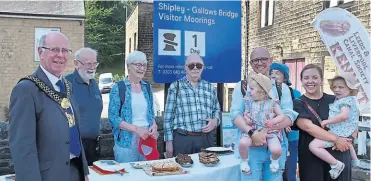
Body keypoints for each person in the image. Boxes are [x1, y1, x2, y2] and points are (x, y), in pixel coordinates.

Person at [8, 32, 89, 181]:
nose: (60, 55)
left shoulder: (67, 86)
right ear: (40, 52)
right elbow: (22, 148)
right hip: (47, 176)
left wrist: (83, 170)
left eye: (65, 50)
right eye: (54, 49)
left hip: (74, 171)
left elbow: (73, 129)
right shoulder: (26, 90)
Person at [230, 47, 298, 181]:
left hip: (276, 147)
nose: (259, 62)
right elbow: (235, 115)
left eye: (263, 59)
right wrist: (252, 133)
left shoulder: (281, 87)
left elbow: (289, 117)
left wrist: (264, 131)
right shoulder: (242, 86)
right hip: (250, 148)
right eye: (255, 60)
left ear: (270, 61)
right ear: (250, 63)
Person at [293, 64, 353, 181]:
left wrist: (349, 139)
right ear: (301, 81)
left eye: (315, 77)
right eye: (306, 78)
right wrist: (337, 139)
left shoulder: (335, 99)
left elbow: (351, 118)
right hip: (311, 157)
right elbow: (308, 127)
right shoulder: (298, 103)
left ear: (321, 79)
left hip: (338, 151)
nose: (310, 81)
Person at [164, 54, 221, 158]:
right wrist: (168, 143)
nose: (195, 68)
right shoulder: (175, 87)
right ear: (185, 68)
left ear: (202, 68)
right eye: (191, 65)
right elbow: (168, 117)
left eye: (198, 65)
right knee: (183, 172)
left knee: (207, 172)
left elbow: (217, 109)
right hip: (183, 140)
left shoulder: (209, 87)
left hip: (206, 140)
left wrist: (215, 121)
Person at [108, 50, 158, 163]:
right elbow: (113, 118)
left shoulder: (147, 87)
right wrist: (137, 130)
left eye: (144, 65)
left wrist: (154, 125)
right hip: (127, 142)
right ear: (129, 66)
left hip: (147, 139)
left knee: (147, 174)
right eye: (138, 65)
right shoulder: (118, 88)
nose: (142, 68)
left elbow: (151, 113)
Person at [308, 72, 360, 179]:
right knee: (348, 142)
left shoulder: (344, 102)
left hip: (338, 132)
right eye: (335, 87)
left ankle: (336, 164)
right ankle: (355, 160)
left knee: (313, 146)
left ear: (350, 89)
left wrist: (327, 122)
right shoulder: (350, 100)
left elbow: (344, 116)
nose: (337, 89)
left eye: (341, 87)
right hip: (345, 133)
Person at [239, 73, 285, 174]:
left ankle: (275, 160)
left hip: (270, 131)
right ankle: (244, 161)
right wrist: (247, 119)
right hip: (253, 130)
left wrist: (273, 121)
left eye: (251, 89)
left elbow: (282, 115)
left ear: (262, 91)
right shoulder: (249, 102)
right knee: (242, 143)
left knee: (277, 150)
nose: (249, 92)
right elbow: (245, 114)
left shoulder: (273, 103)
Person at [66, 47, 103, 166]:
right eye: (88, 64)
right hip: (74, 146)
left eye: (94, 63)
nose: (92, 68)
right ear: (76, 64)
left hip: (94, 145)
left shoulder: (94, 84)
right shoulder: (66, 84)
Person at [270, 63, 301, 181]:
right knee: (274, 170)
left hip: (291, 137)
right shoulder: (266, 91)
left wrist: (287, 122)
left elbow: (296, 114)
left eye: (277, 73)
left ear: (285, 77)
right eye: (271, 73)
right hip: (271, 136)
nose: (273, 76)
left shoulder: (296, 93)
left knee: (289, 171)